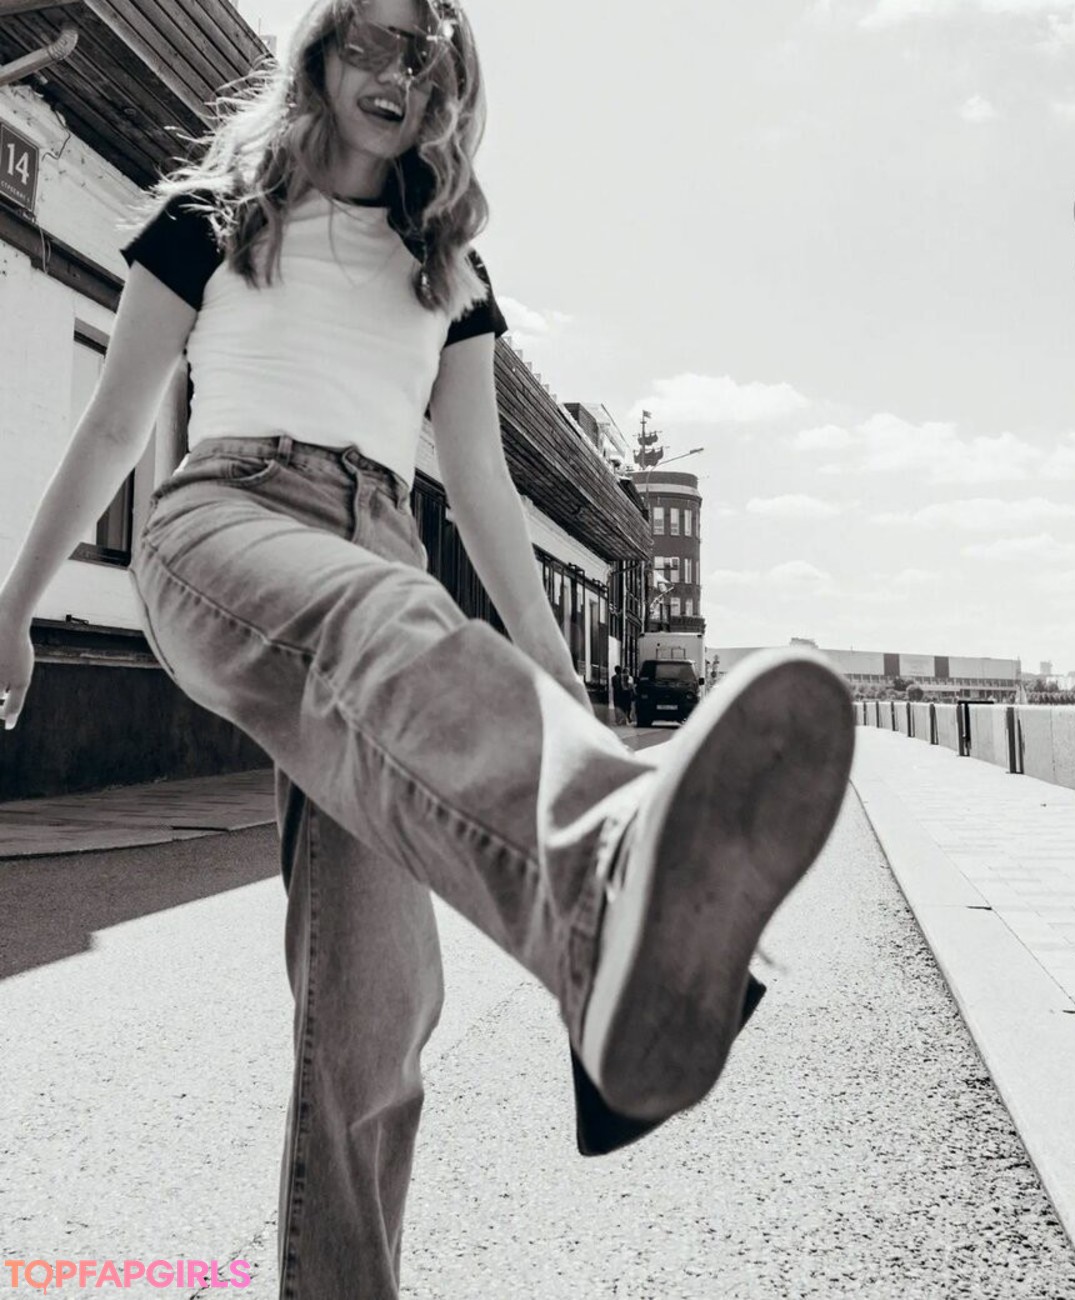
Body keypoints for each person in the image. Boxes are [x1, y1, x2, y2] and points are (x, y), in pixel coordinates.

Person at [0, 1, 856, 1294]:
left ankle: (578, 992)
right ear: (321, 47)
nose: (394, 73)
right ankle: (607, 893)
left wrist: (561, 692)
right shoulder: (208, 218)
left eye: (424, 55)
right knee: (384, 618)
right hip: (224, 524)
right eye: (372, 39)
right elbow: (116, 425)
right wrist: (13, 609)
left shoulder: (445, 267)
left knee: (375, 1011)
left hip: (383, 561)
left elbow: (483, 485)